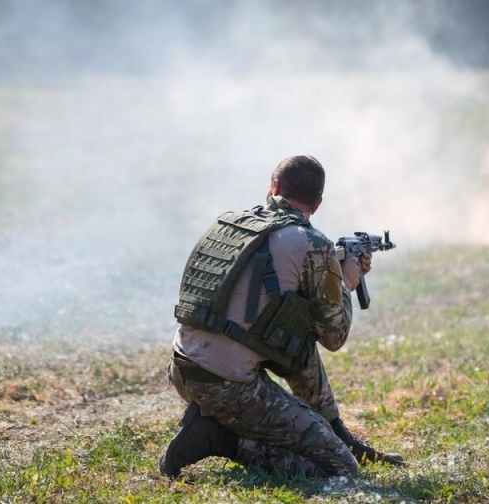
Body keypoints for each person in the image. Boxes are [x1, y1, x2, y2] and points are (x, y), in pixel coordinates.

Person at [159, 155, 404, 479]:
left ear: (274, 187)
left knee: (300, 331)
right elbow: (334, 336)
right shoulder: (312, 243)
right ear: (317, 204)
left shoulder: (234, 225)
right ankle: (219, 438)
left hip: (182, 367)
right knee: (340, 469)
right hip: (229, 389)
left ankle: (333, 428)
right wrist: (345, 282)